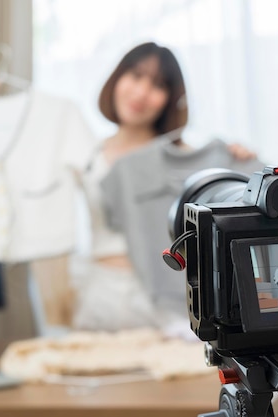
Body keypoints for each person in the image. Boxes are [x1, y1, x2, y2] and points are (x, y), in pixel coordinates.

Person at [71, 42, 257, 332]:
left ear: (171, 98)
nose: (141, 93)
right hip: (101, 293)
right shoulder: (85, 153)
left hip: (165, 298)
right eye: (135, 76)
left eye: (157, 85)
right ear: (117, 78)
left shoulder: (188, 161)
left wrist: (241, 162)